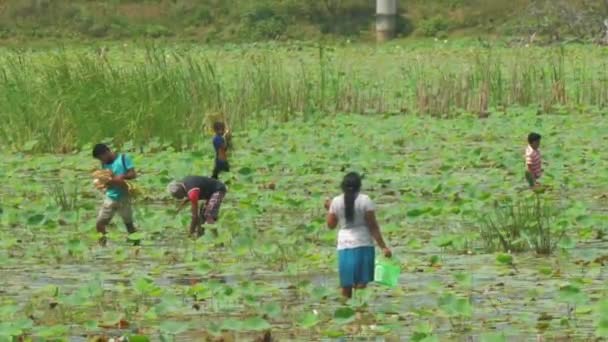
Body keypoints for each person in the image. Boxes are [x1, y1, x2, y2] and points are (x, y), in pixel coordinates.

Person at [325, 172, 392, 298]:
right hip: (364, 244)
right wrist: (383, 247)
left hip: (345, 246)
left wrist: (329, 209)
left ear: (343, 186)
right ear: (359, 186)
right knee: (361, 286)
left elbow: (331, 225)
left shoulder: (336, 201)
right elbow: (373, 226)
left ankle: (347, 310)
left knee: (346, 287)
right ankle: (360, 313)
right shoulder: (365, 200)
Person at [92, 143, 138, 246]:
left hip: (124, 196)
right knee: (100, 224)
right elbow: (108, 178)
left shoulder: (123, 158)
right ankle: (102, 246)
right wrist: (102, 183)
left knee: (129, 225)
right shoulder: (105, 164)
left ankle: (137, 246)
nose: (101, 161)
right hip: (111, 196)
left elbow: (133, 174)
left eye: (101, 158)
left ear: (106, 152)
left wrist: (122, 176)